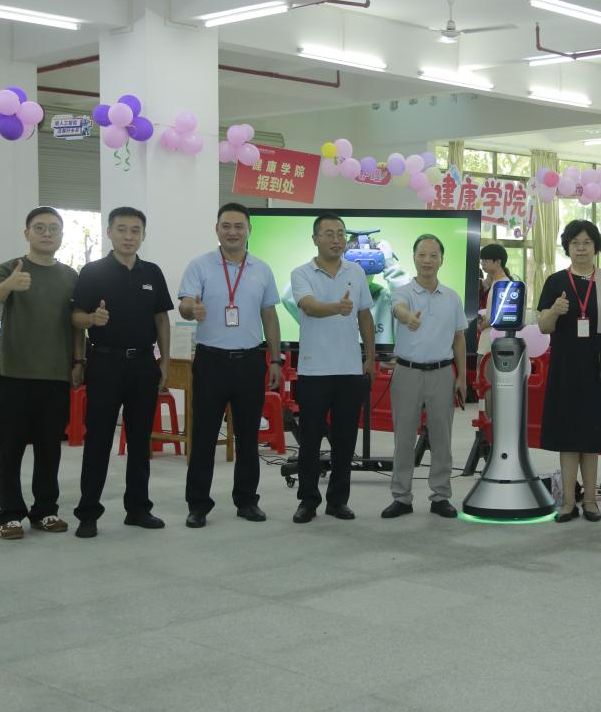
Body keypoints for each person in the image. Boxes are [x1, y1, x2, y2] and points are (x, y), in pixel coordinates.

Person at [177, 203, 282, 529]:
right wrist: (191, 310)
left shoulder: (262, 269)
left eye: (239, 226)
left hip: (250, 361)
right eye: (226, 226)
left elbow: (269, 316)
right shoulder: (200, 265)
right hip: (211, 361)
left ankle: (247, 501)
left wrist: (276, 359)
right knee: (204, 436)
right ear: (217, 229)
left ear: (249, 229)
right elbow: (184, 304)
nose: (232, 232)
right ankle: (198, 505)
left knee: (248, 437)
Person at [71, 207, 173, 539]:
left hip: (143, 364)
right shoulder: (93, 272)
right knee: (98, 439)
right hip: (105, 362)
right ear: (109, 233)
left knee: (140, 439)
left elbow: (161, 319)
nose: (129, 236)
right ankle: (88, 512)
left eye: (135, 230)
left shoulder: (152, 272)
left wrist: (165, 361)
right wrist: (91, 321)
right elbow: (75, 317)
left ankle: (138, 508)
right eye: (122, 229)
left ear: (143, 234)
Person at [0, 207, 83, 540]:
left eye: (53, 228)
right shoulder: (9, 268)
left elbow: (77, 325)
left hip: (54, 374)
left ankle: (45, 511)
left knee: (49, 449)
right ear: (26, 233)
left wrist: (79, 362)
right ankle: (9, 514)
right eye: (39, 227)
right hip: (14, 372)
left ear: (61, 235)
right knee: (10, 449)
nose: (46, 233)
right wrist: (10, 284)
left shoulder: (70, 276)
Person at [537, 219, 601, 523]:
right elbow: (543, 326)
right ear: (567, 247)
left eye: (587, 242)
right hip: (565, 365)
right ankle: (567, 503)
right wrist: (554, 311)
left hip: (598, 365)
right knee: (567, 435)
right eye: (575, 243)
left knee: (591, 434)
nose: (581, 248)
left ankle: (590, 501)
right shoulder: (555, 281)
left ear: (595, 247)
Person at [289, 211, 376, 523]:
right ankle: (308, 500)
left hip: (349, 370)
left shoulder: (356, 271)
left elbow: (365, 315)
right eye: (329, 234)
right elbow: (308, 306)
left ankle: (338, 500)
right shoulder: (301, 273)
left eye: (340, 234)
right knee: (310, 440)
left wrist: (370, 356)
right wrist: (337, 308)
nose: (336, 240)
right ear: (315, 239)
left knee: (345, 440)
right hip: (313, 371)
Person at [384, 234, 468, 519]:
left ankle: (441, 496)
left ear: (442, 260)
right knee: (404, 437)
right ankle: (401, 497)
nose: (427, 260)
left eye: (433, 255)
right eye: (422, 255)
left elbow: (459, 338)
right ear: (414, 258)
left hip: (442, 373)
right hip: (407, 372)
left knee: (442, 438)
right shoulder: (403, 291)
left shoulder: (452, 297)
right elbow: (398, 309)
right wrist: (407, 317)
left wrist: (462, 377)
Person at [476, 242, 514, 333]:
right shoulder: (495, 282)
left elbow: (504, 316)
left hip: (497, 336)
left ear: (498, 262)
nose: (482, 264)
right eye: (482, 260)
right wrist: (485, 317)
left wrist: (485, 324)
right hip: (490, 335)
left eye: (485, 260)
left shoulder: (504, 285)